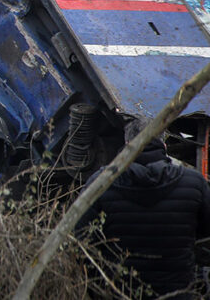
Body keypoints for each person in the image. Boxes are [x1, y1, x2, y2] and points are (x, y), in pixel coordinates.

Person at [77, 120, 210, 298]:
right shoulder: (193, 183)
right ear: (164, 144)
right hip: (177, 293)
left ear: (127, 144)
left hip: (118, 292)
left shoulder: (101, 183)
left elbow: (79, 240)